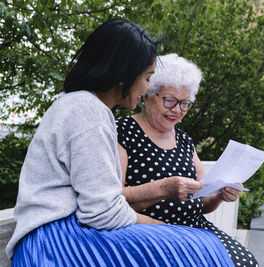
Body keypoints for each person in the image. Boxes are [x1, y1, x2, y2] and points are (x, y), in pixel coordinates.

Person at [6, 19, 233, 266]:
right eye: (147, 78)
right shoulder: (88, 112)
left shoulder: (83, 107)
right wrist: (172, 230)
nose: (146, 87)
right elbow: (103, 212)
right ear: (125, 75)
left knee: (201, 245)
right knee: (201, 248)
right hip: (54, 242)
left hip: (59, 233)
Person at [116, 53, 259, 266]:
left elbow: (202, 202)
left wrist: (221, 193)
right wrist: (165, 187)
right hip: (149, 233)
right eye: (169, 100)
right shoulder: (123, 131)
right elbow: (111, 197)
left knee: (245, 261)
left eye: (185, 104)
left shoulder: (184, 140)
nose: (177, 110)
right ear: (147, 95)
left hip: (194, 228)